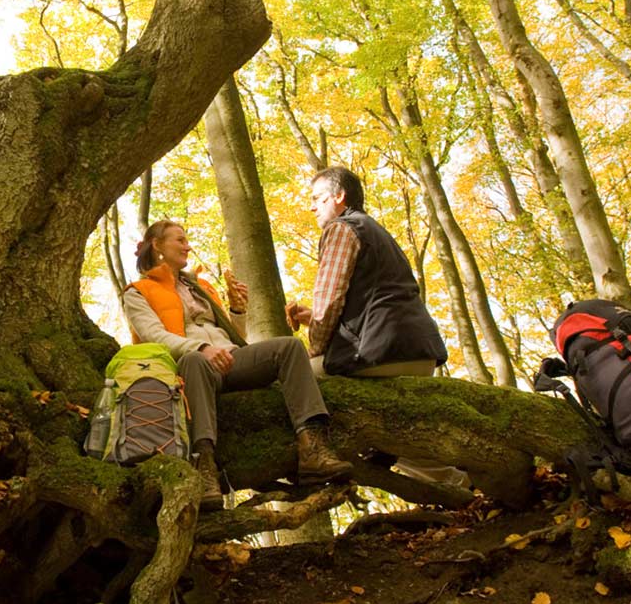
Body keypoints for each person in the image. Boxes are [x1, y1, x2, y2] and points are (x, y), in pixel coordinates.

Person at [122, 220, 353, 510]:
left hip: (230, 358)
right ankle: (204, 466)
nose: (188, 246)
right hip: (188, 367)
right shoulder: (137, 292)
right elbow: (154, 336)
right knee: (194, 360)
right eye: (180, 240)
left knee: (290, 346)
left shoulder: (201, 286)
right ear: (157, 245)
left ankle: (313, 448)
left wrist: (237, 310)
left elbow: (234, 336)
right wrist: (201, 348)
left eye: (187, 239)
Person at [286, 167, 448, 378]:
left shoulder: (341, 229)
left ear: (338, 196)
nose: (312, 207)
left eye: (317, 198)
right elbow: (379, 299)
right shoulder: (377, 232)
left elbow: (328, 305)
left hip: (379, 355)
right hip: (423, 355)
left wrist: (314, 351)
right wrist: (313, 320)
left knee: (289, 378)